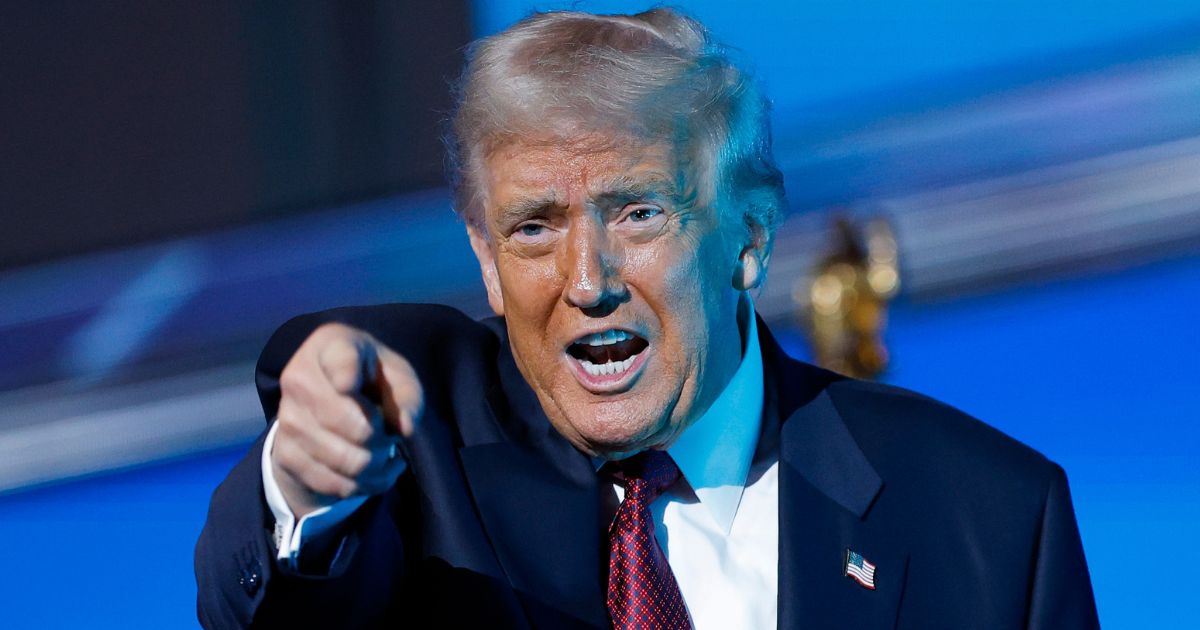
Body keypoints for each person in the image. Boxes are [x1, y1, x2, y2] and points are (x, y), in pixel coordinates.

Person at [195, 8, 1099, 629]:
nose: (587, 281)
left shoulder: (988, 519)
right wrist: (310, 487)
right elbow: (280, 610)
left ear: (748, 234)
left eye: (638, 213)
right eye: (535, 227)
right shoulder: (420, 468)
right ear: (486, 262)